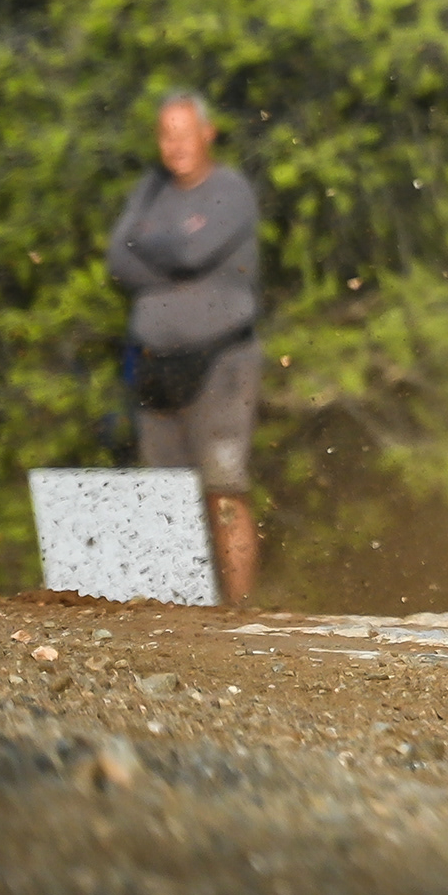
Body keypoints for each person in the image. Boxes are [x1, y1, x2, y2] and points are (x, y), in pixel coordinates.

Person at [107, 92, 262, 604]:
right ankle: (175, 611)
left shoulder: (230, 189)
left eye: (184, 133)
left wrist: (149, 241)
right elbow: (117, 261)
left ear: (207, 132)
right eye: (165, 135)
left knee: (223, 486)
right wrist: (168, 251)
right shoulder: (150, 188)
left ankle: (239, 609)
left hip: (222, 360)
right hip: (154, 361)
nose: (174, 145)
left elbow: (192, 252)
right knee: (163, 493)